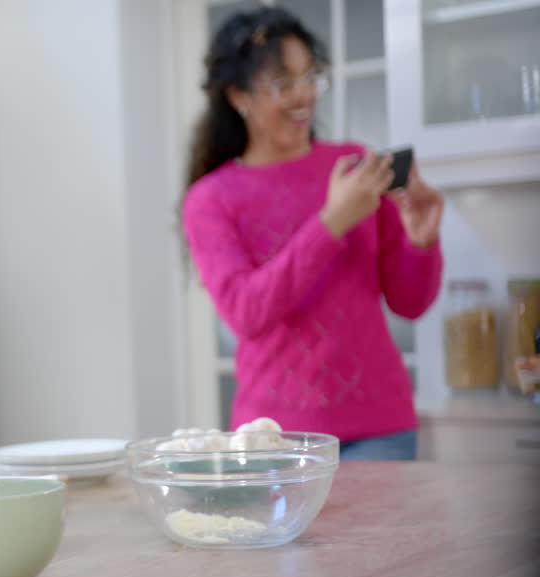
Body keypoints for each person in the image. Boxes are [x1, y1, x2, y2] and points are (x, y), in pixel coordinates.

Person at [181, 7, 445, 461]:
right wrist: (331, 223)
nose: (304, 95)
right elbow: (246, 311)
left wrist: (420, 243)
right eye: (284, 83)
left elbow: (410, 302)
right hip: (273, 443)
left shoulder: (354, 166)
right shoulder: (211, 199)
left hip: (381, 429)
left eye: (311, 78)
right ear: (238, 95)